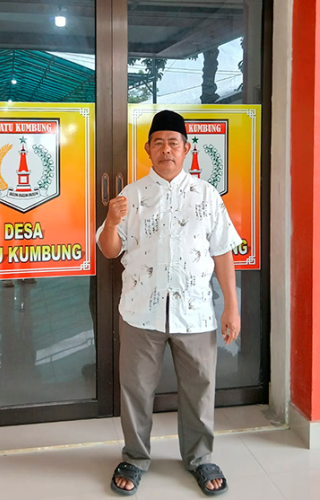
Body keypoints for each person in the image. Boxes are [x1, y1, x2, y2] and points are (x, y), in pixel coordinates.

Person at [96, 110, 242, 497]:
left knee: (199, 388)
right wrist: (111, 222)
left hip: (195, 312)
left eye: (173, 143)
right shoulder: (131, 196)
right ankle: (135, 457)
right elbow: (109, 251)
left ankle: (200, 457)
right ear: (147, 149)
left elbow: (223, 252)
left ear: (186, 149)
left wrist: (231, 306)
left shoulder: (207, 195)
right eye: (158, 143)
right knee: (136, 389)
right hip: (140, 311)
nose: (166, 150)